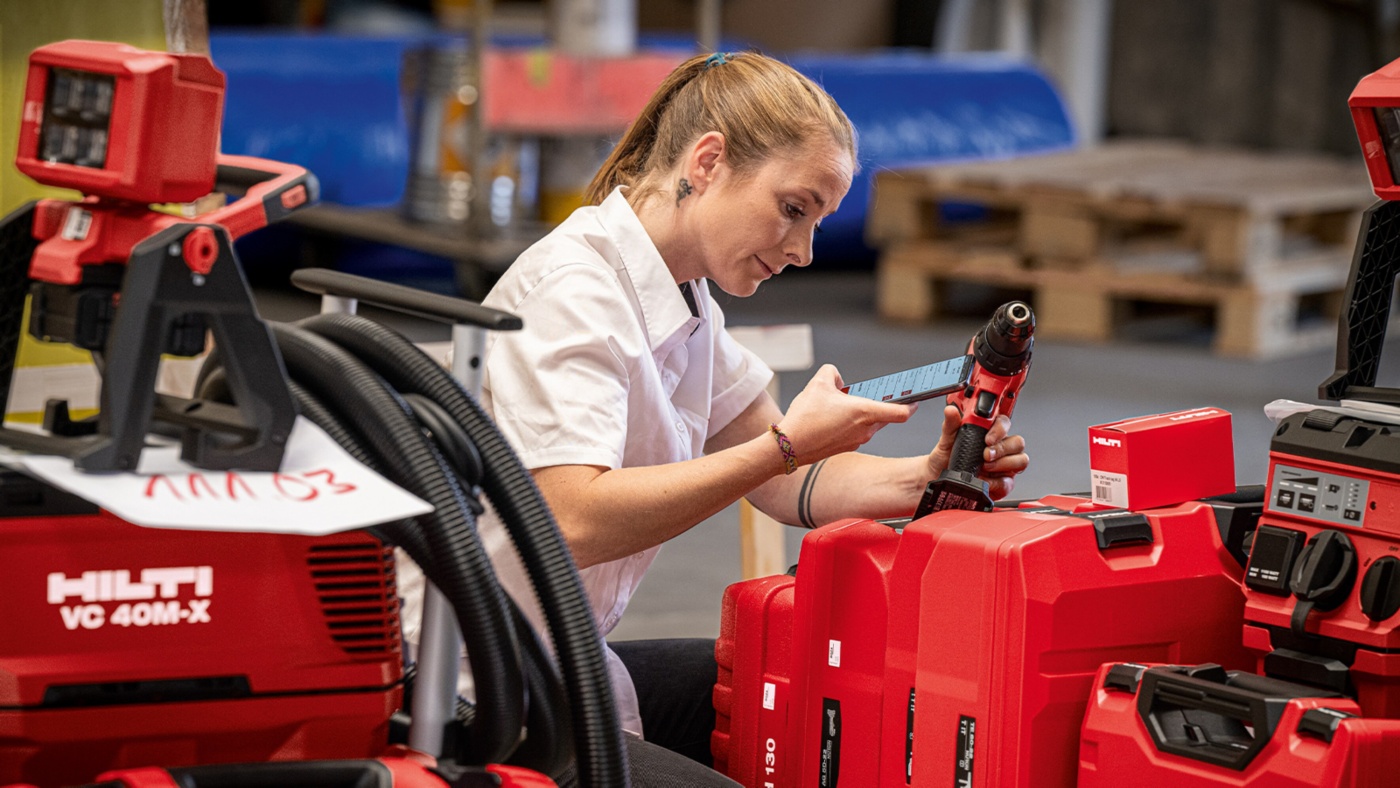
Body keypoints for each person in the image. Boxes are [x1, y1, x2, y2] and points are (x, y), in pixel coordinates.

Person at [441, 49, 1027, 784]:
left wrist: (927, 474)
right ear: (709, 161)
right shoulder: (575, 291)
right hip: (471, 692)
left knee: (806, 682)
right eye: (793, 209)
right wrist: (785, 444)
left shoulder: (686, 300)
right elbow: (570, 520)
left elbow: (789, 484)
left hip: (558, 658)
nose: (806, 251)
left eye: (818, 222)